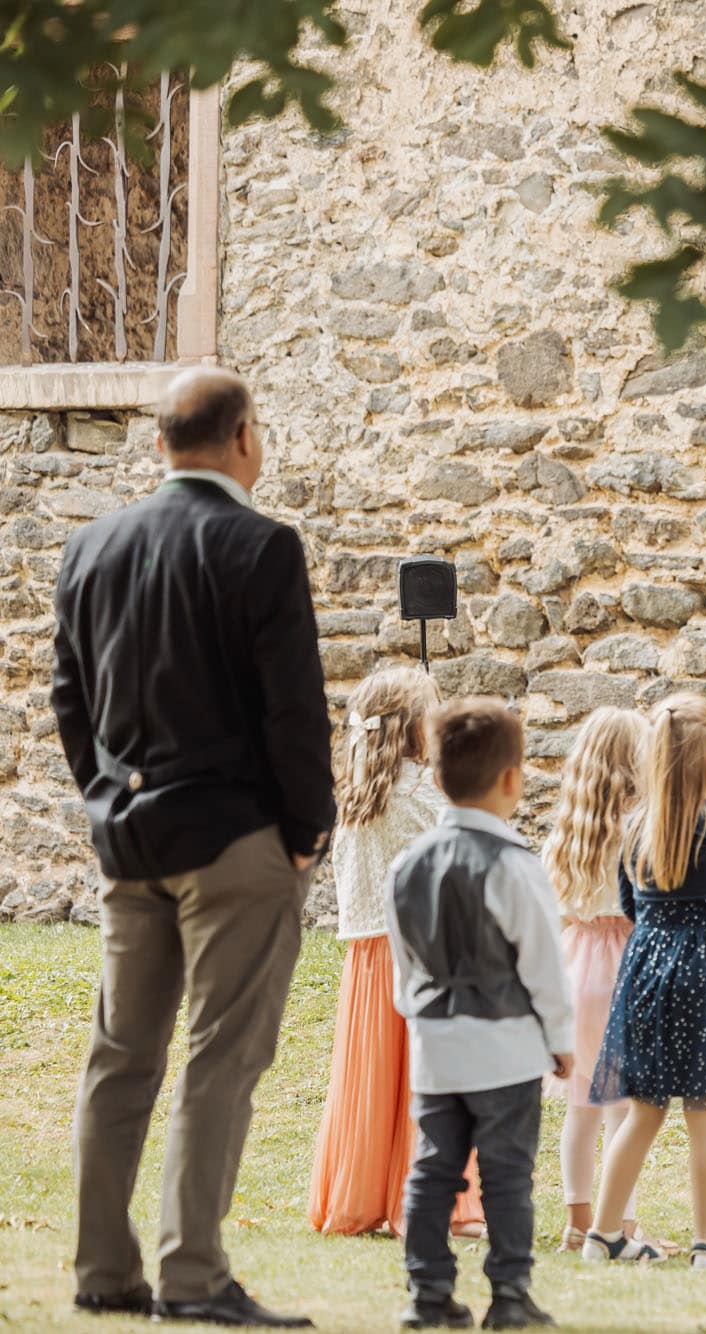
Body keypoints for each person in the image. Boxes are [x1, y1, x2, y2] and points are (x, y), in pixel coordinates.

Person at [53, 367, 334, 1326]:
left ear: (159, 443)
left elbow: (69, 699)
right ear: (245, 436)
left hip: (130, 841)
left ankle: (103, 1270)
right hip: (235, 840)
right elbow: (295, 709)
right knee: (220, 1057)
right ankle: (193, 1275)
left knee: (119, 1057)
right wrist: (307, 831)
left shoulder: (91, 546)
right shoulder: (261, 545)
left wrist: (103, 798)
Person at [386, 698, 573, 1330]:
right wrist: (561, 1038)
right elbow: (543, 965)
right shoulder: (515, 866)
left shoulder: (406, 865)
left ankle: (427, 1295)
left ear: (437, 779)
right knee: (507, 1175)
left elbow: (404, 968)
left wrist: (420, 1022)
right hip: (506, 1046)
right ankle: (511, 1296)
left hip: (436, 1047)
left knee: (432, 1171)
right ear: (512, 778)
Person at [583, 694, 706, 1270]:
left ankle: (602, 1234)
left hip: (647, 970)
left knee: (644, 1109)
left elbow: (630, 904)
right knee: (705, 1110)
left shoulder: (636, 828)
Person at [309, 666, 485, 1240]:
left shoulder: (355, 797)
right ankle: (432, 1202)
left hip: (367, 959)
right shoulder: (427, 793)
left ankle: (358, 1196)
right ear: (417, 727)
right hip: (425, 951)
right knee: (429, 1082)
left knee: (370, 1084)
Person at [540, 708, 665, 1255]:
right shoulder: (644, 832)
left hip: (575, 970)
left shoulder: (569, 834)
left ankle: (577, 1222)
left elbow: (559, 911)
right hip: (626, 969)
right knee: (622, 1109)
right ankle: (623, 1226)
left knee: (581, 1108)